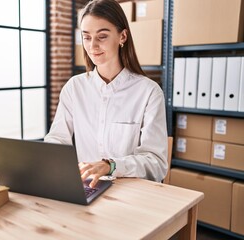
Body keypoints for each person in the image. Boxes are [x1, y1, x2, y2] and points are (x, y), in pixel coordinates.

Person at [44, 0, 168, 188]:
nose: (92, 46)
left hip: (131, 192)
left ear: (122, 36)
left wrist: (110, 166)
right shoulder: (74, 87)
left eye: (102, 36)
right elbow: (58, 138)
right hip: (85, 188)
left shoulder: (149, 92)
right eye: (86, 37)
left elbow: (156, 164)